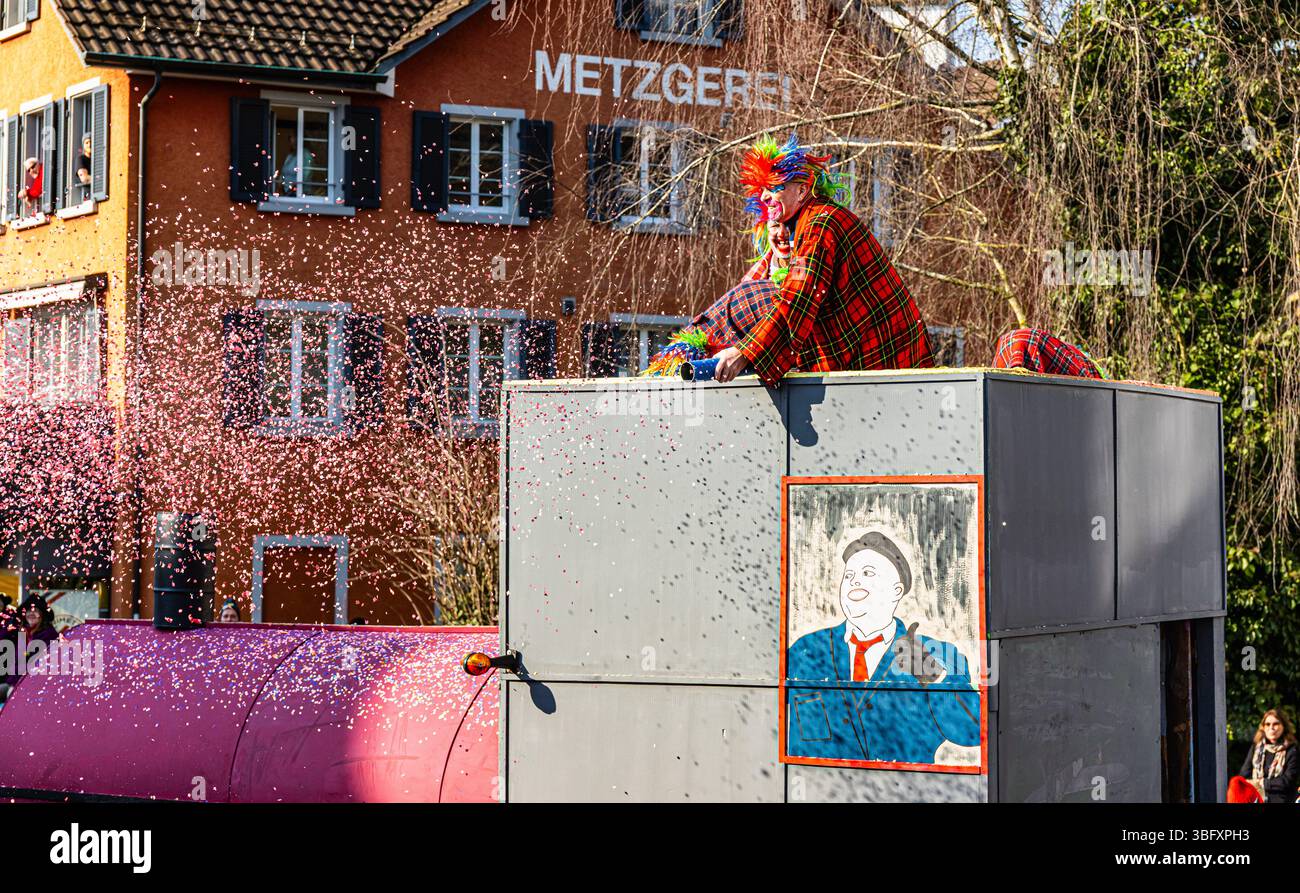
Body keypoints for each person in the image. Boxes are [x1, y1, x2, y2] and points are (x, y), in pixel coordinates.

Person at [713, 134, 935, 385]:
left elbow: (798, 296)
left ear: (802, 190)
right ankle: (684, 351)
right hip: (867, 370)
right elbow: (747, 292)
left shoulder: (820, 223)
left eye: (774, 188)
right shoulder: (800, 225)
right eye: (762, 189)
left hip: (885, 367)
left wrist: (745, 352)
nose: (765, 197)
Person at [785, 531, 980, 765]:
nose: (855, 581)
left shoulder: (939, 654)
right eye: (849, 575)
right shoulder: (806, 649)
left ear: (896, 590)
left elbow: (972, 731)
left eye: (868, 573)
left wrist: (934, 676)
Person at [1227, 709, 1298, 803]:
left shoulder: (1291, 750)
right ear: (1263, 728)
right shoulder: (1257, 747)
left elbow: (1288, 781)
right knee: (1235, 782)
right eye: (1267, 724)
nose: (1271, 728)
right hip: (1256, 796)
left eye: (1276, 724)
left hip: (1280, 798)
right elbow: (1244, 774)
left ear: (1283, 726)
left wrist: (1263, 783)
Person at [0, 594, 60, 701]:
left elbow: (39, 669)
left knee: (10, 695)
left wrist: (14, 686)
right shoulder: (24, 635)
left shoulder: (49, 636)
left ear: (42, 615)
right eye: (28, 610)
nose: (31, 613)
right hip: (16, 683)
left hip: (37, 688)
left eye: (35, 610)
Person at [75, 135, 93, 201]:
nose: (89, 145)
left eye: (91, 142)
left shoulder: (98, 158)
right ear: (83, 145)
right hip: (87, 196)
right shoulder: (80, 159)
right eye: (87, 143)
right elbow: (84, 178)